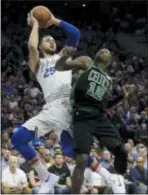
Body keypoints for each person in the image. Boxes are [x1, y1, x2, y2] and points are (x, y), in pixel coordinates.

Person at [11, 10, 80, 193]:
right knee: (17, 139)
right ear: (42, 46)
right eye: (46, 40)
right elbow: (32, 47)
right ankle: (46, 176)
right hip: (50, 109)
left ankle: (109, 176)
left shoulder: (64, 56)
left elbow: (75, 34)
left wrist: (53, 20)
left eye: (52, 40)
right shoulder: (38, 64)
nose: (51, 41)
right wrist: (35, 25)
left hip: (66, 107)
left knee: (71, 152)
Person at [56, 47, 136, 193]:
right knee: (82, 158)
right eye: (102, 50)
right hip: (82, 115)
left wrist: (121, 97)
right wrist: (64, 57)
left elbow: (105, 105)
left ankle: (119, 180)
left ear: (110, 61)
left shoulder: (107, 79)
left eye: (108, 51)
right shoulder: (88, 62)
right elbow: (60, 67)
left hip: (99, 117)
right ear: (97, 55)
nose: (105, 50)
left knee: (121, 150)